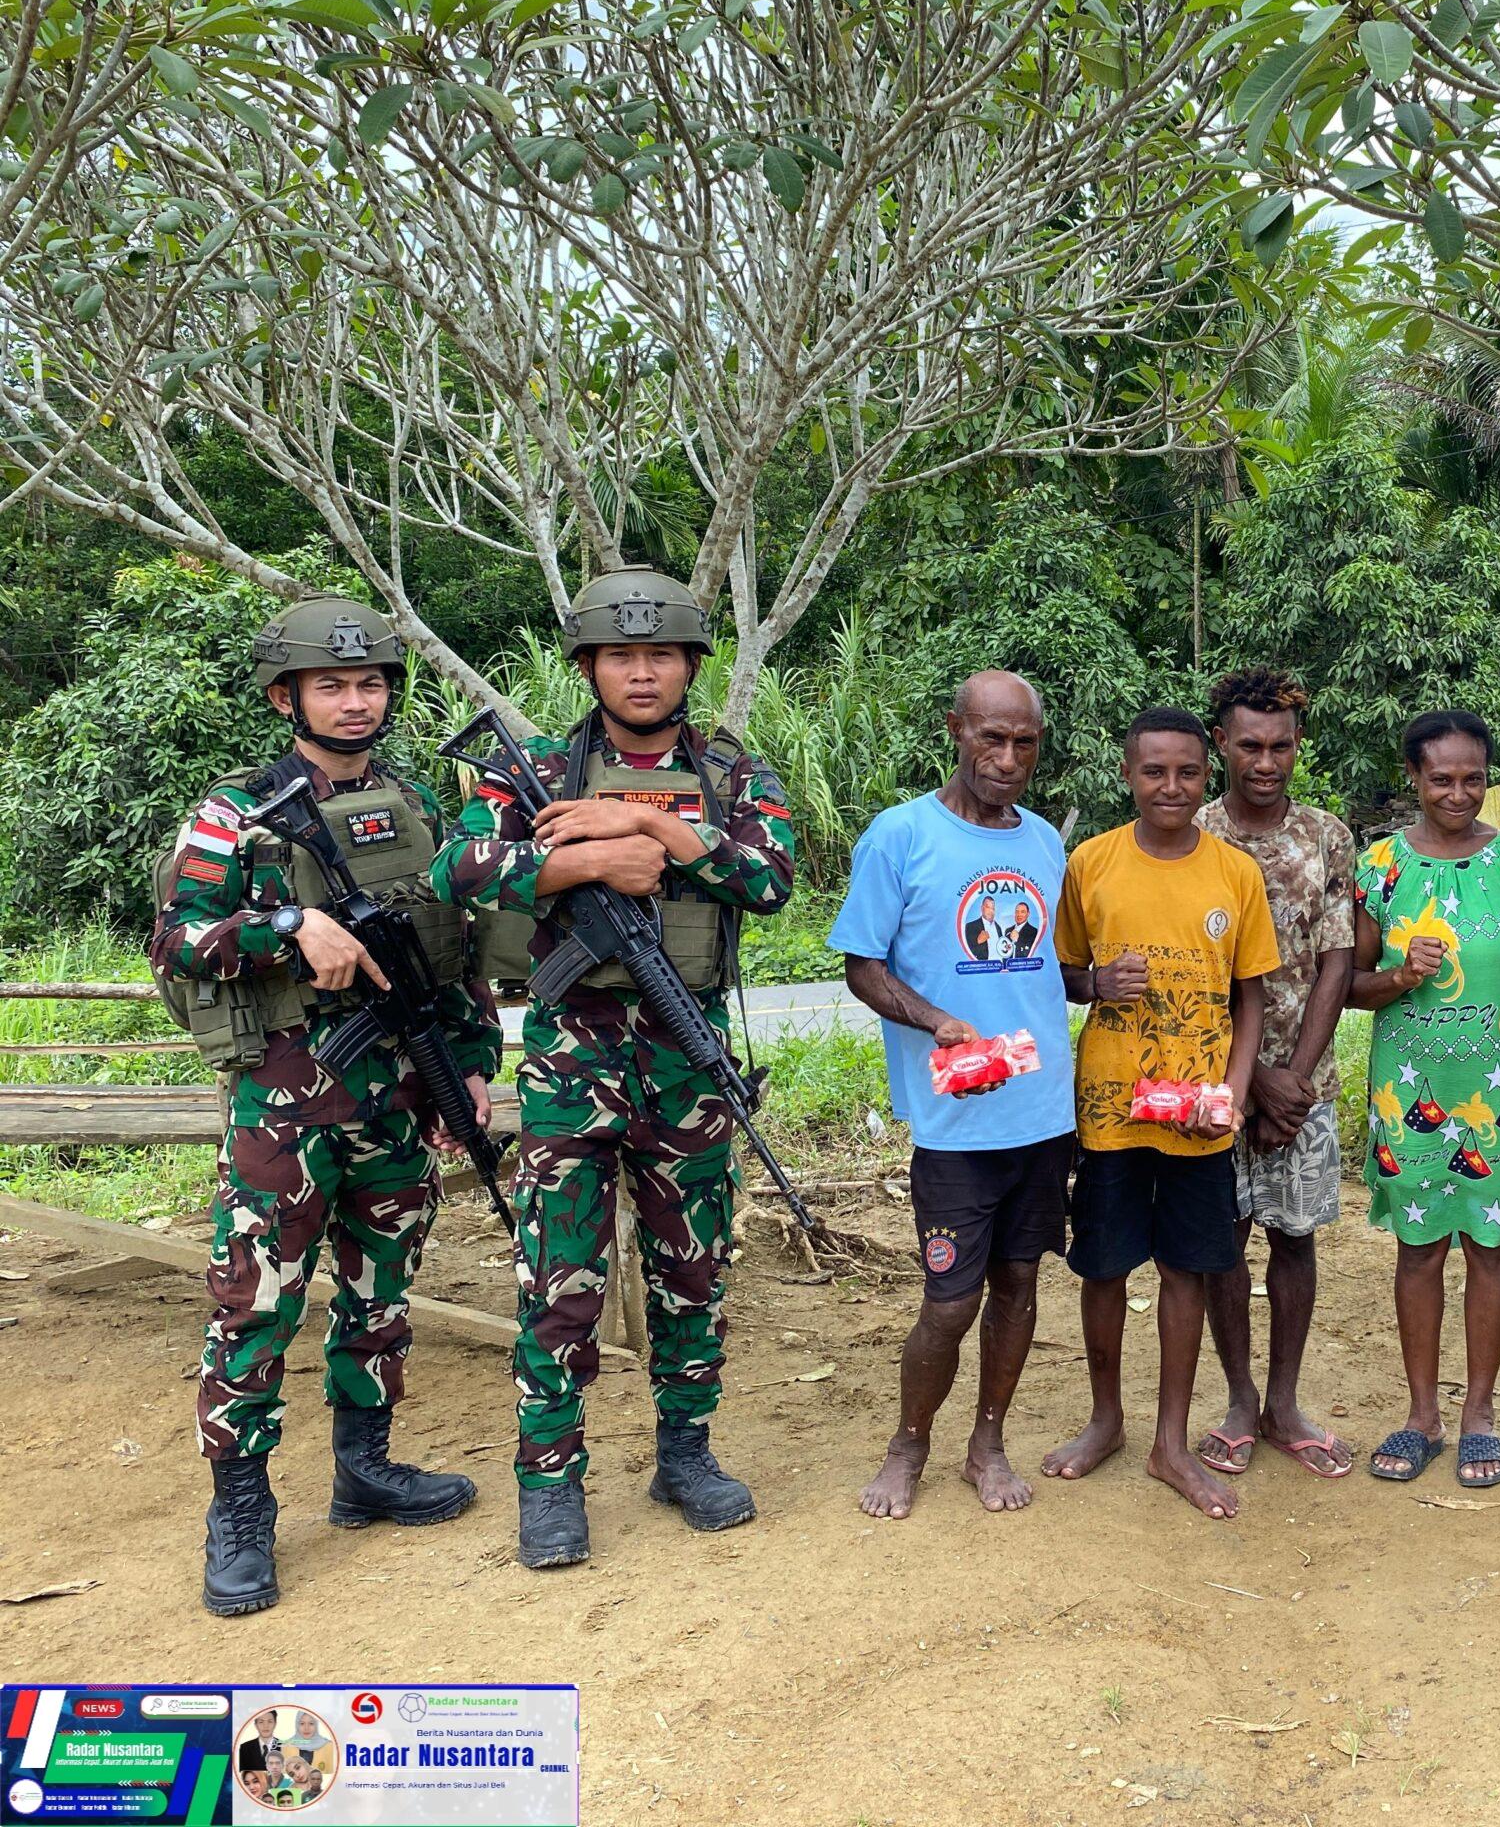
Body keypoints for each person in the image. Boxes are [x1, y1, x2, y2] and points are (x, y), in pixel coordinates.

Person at [432, 570, 796, 1569]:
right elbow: (456, 869)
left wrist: (663, 834)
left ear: (687, 666)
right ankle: (549, 1479)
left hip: (687, 1059)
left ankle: (685, 1453)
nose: (643, 673)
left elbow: (772, 876)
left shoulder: (727, 774)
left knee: (692, 1273)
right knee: (559, 1276)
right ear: (588, 665)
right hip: (571, 1059)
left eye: (662, 655)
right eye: (621, 656)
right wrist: (582, 861)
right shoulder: (537, 769)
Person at [154, 600, 496, 1618]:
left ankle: (365, 1469)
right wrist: (289, 923)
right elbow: (179, 940)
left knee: (379, 1296)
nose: (357, 700)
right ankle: (242, 1510)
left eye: (372, 683)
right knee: (256, 1307)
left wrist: (469, 1066)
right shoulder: (236, 815)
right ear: (286, 696)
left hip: (398, 1093)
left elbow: (454, 952)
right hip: (287, 1104)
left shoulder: (411, 800)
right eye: (333, 685)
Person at [832, 672, 1074, 1518]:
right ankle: (909, 1446)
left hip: (1043, 1115)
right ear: (955, 731)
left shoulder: (1045, 843)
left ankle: (989, 1443)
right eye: (991, 739)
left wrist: (1102, 981)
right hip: (953, 1124)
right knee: (950, 1299)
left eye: (1024, 743)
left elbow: (1049, 967)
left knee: (1019, 1283)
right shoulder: (901, 836)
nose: (1007, 760)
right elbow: (862, 962)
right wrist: (933, 1018)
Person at [1043, 706, 1278, 1518]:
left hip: (1199, 1121)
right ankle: (1105, 1418)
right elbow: (1064, 973)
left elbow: (1252, 999)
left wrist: (1236, 1095)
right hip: (1110, 1112)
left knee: (1187, 1270)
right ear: (1127, 775)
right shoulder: (1091, 864)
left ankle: (1169, 1441)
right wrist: (1098, 985)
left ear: (1204, 775)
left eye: (1185, 771)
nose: (1170, 786)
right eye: (1154, 771)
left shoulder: (1234, 874)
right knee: (1103, 1269)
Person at [1356, 711, 1500, 1490]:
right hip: (1408, 1091)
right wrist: (1400, 976)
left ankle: (1479, 1413)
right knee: (1417, 1250)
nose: (1457, 793)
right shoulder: (1379, 866)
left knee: (1491, 1246)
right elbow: (1349, 985)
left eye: (1473, 778)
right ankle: (1422, 1415)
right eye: (1440, 778)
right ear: (1413, 777)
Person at [1195, 668, 1358, 1480]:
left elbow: (1338, 957)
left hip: (1305, 1087)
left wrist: (1291, 1080)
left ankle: (1284, 1402)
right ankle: (1235, 1397)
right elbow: (1188, 972)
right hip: (1214, 1082)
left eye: (1282, 747)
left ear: (1299, 747)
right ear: (1219, 743)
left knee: (1295, 1239)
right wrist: (1249, 1076)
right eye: (1250, 745)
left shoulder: (1327, 835)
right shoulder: (1188, 832)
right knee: (1221, 1241)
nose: (1267, 762)